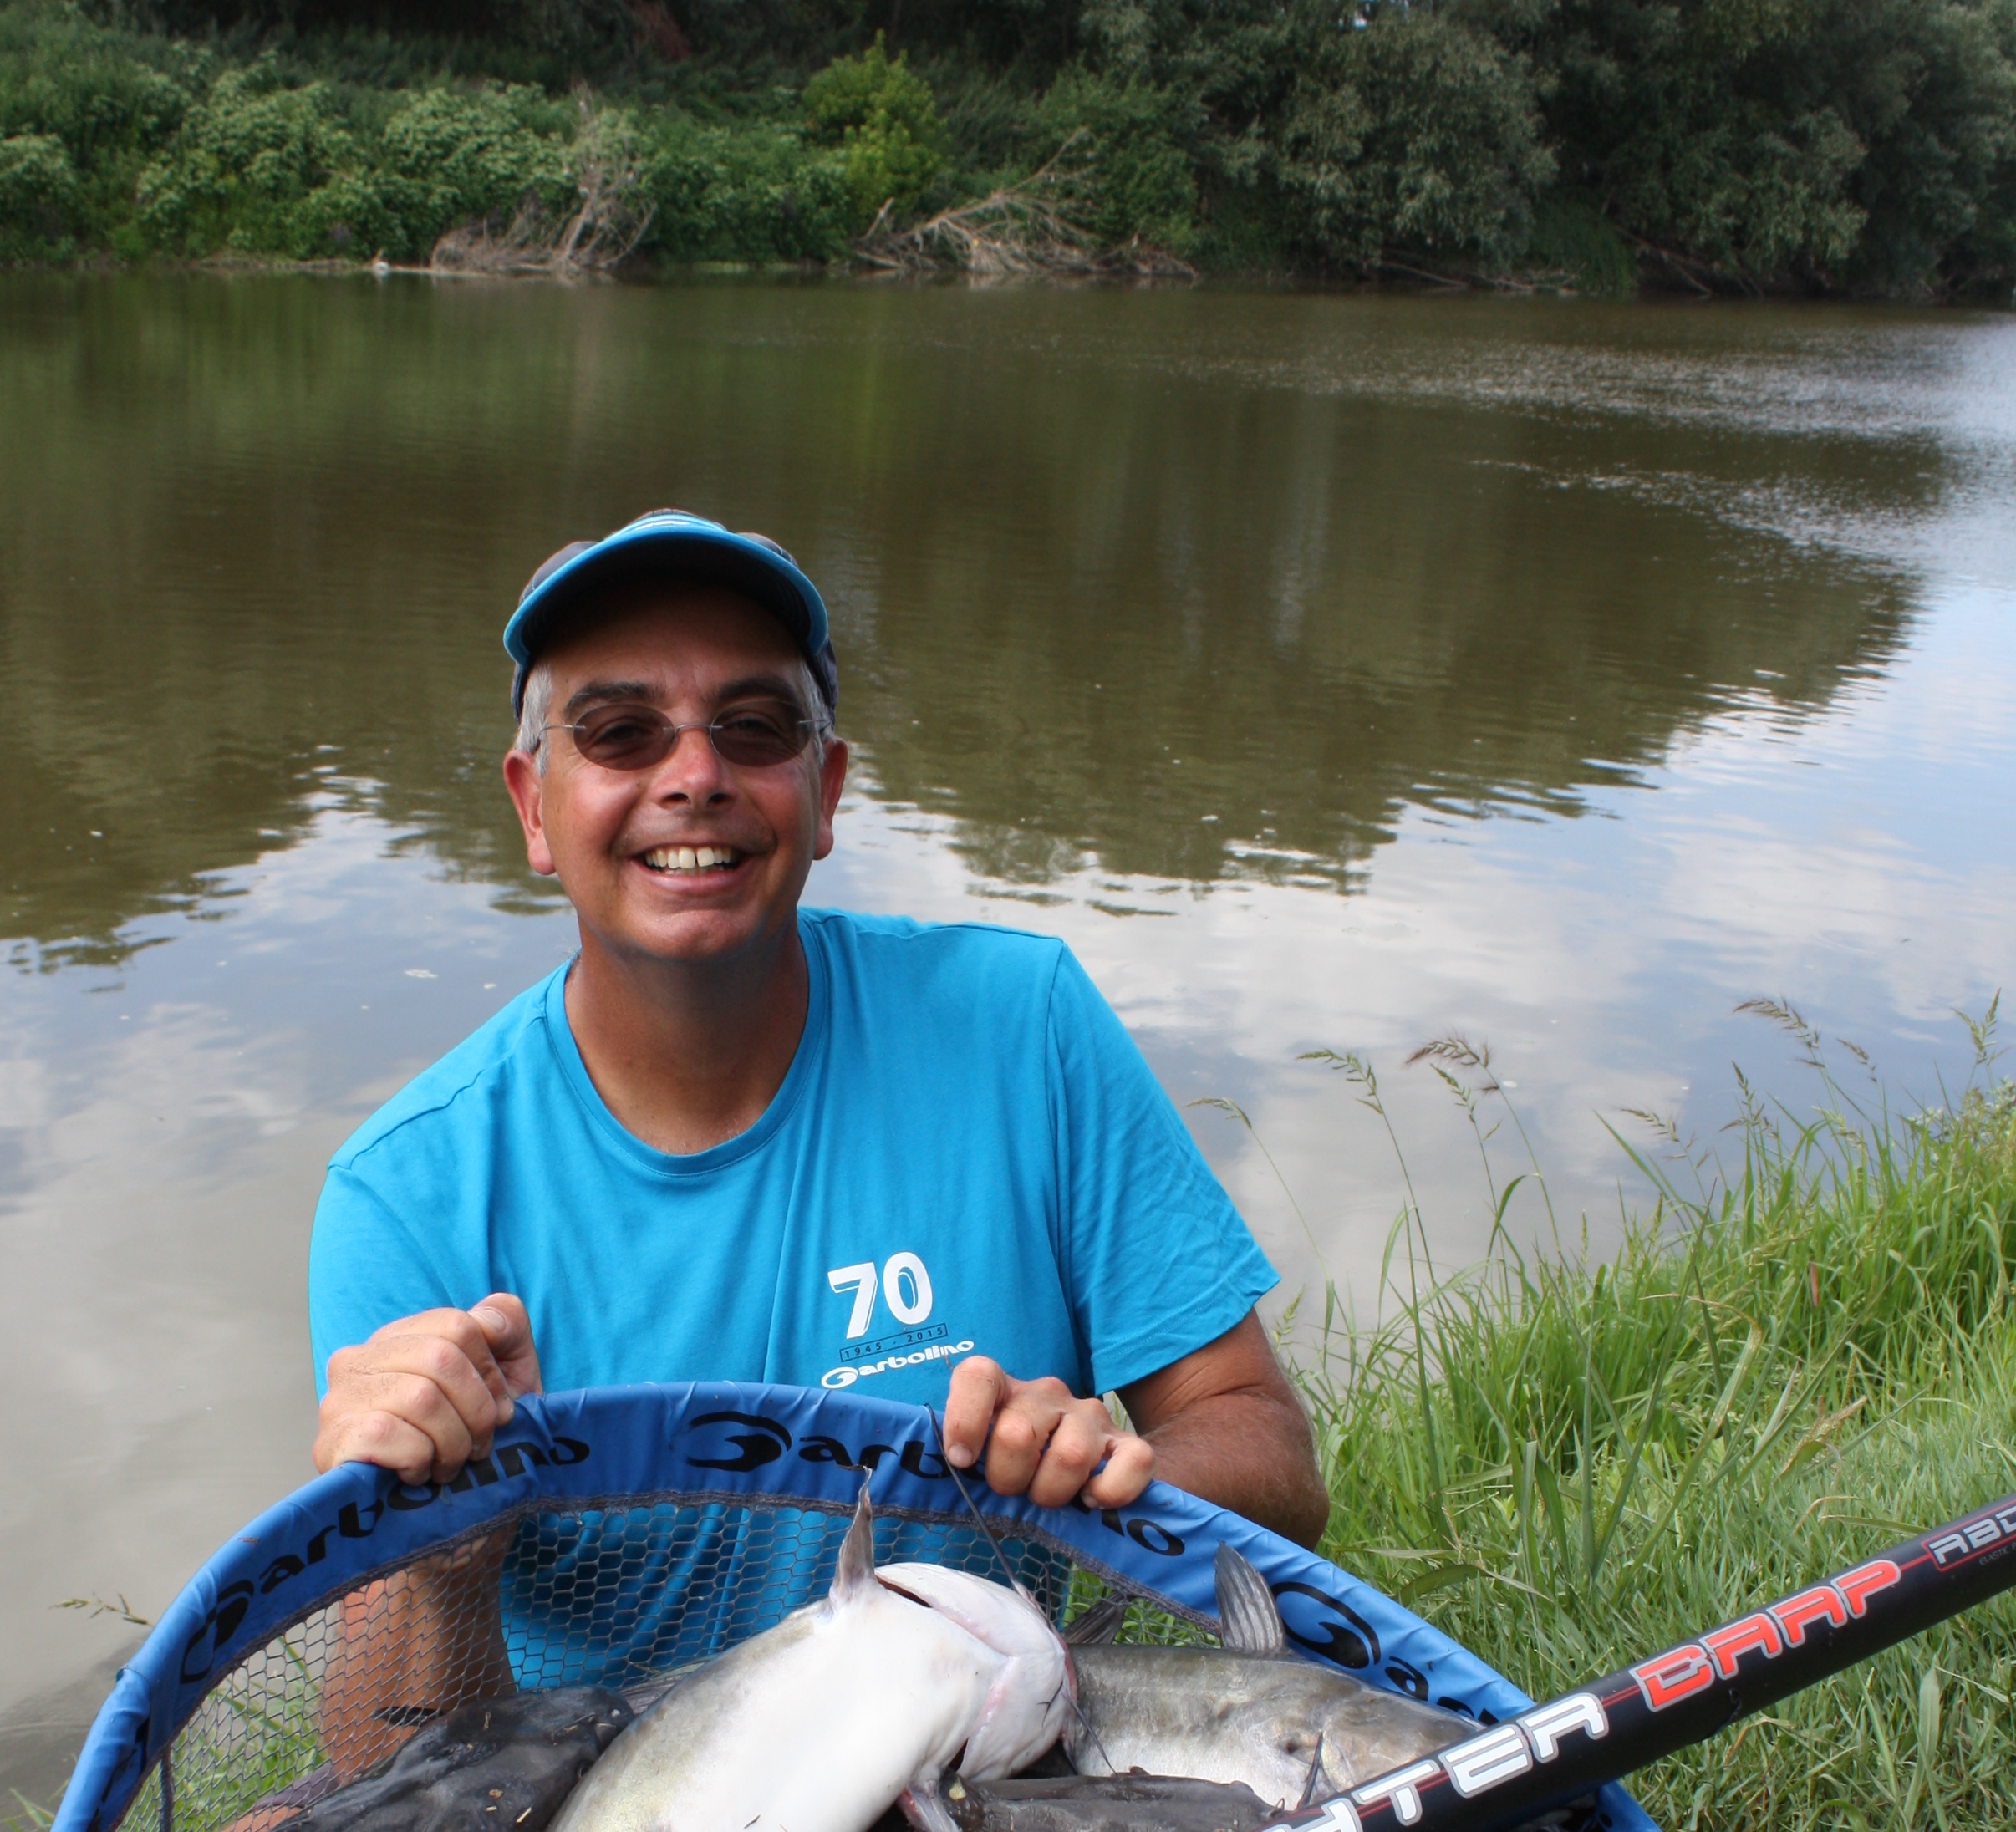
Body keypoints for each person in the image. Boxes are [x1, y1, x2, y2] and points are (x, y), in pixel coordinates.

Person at [308, 512, 1323, 1702]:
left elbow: (1268, 1452)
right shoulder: (407, 1192)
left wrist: (1111, 1476)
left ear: (825, 788)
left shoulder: (1022, 1025)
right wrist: (445, 1556)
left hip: (970, 1767)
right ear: (534, 806)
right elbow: (375, 1754)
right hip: (605, 1831)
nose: (694, 778)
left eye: (754, 727)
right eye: (621, 732)